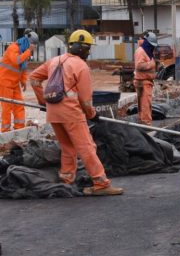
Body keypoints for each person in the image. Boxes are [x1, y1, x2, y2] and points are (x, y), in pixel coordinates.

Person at [29, 30, 123, 196]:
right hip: (71, 113)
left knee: (67, 146)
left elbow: (34, 78)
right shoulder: (81, 66)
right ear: (82, 48)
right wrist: (92, 115)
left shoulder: (54, 61)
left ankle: (66, 179)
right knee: (87, 147)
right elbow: (86, 100)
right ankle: (101, 183)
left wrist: (43, 102)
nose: (89, 52)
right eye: (88, 48)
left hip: (53, 112)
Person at [0, 29, 38, 132]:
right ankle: (5, 130)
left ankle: (19, 128)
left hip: (15, 83)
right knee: (7, 107)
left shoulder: (23, 51)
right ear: (26, 41)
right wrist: (28, 51)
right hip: (5, 82)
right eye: (32, 45)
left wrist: (23, 80)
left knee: (19, 105)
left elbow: (23, 68)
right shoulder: (13, 48)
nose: (33, 48)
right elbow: (17, 61)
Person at [134, 31, 158, 125]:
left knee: (145, 104)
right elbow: (139, 66)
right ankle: (146, 124)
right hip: (142, 82)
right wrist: (151, 64)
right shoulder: (141, 51)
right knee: (145, 105)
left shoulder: (146, 51)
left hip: (146, 81)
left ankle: (143, 122)